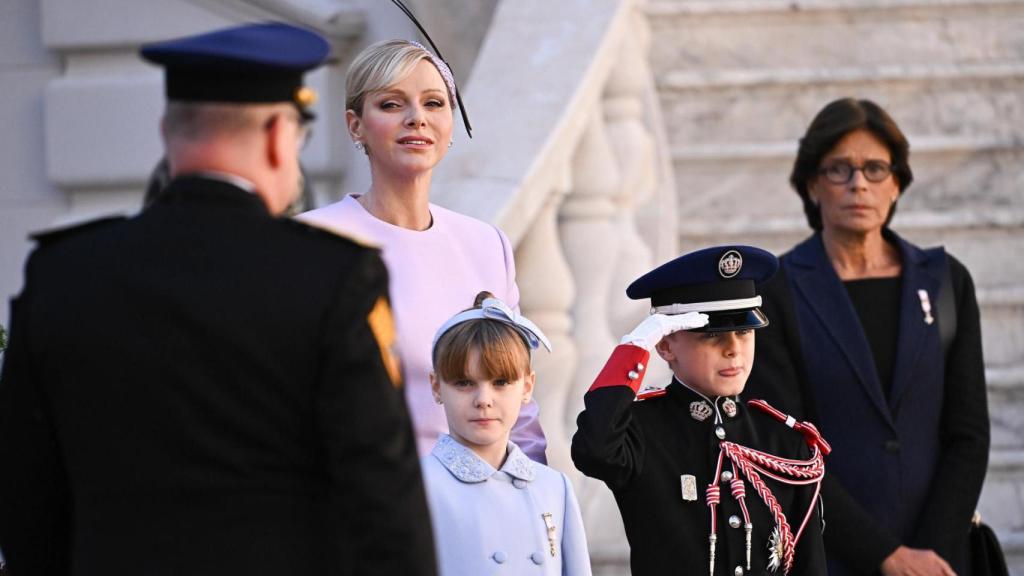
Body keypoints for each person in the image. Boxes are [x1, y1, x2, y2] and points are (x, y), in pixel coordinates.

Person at [0, 23, 435, 576]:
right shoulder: (333, 277)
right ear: (280, 136)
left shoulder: (63, 273)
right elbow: (383, 498)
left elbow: (26, 499)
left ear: (167, 132)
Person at [747, 97, 989, 576]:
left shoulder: (944, 281)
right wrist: (886, 556)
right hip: (828, 556)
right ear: (813, 184)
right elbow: (784, 447)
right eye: (840, 169)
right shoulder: (776, 290)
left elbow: (969, 434)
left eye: (876, 168)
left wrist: (928, 554)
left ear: (896, 183)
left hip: (939, 560)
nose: (859, 183)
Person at [298, 39, 546, 461]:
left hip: (480, 501)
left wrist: (531, 492)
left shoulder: (486, 244)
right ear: (355, 125)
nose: (417, 119)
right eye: (392, 105)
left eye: (433, 103)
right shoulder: (309, 241)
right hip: (364, 503)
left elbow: (517, 400)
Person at [572, 246, 828, 576]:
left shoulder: (785, 442)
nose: (733, 349)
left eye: (744, 332)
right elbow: (593, 450)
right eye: (711, 336)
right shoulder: (641, 430)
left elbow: (809, 565)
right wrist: (632, 351)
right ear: (665, 345)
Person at [422, 292, 591, 575]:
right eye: (464, 383)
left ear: (527, 387)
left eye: (501, 382)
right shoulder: (417, 487)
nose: (483, 399)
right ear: (437, 387)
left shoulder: (554, 487)